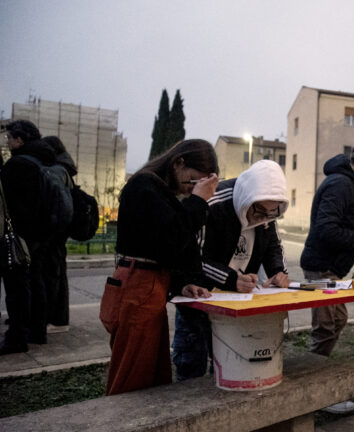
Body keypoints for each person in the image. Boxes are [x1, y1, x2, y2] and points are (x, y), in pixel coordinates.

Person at [99, 139, 218, 395]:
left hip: (149, 285)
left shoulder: (157, 191)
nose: (191, 190)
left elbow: (163, 249)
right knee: (132, 380)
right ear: (178, 163)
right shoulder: (144, 187)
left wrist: (182, 284)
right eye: (192, 181)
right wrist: (197, 202)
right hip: (138, 287)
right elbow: (172, 239)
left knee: (154, 377)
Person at [172, 160, 290, 381]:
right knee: (192, 366)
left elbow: (273, 245)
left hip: (236, 304)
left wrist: (278, 272)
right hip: (199, 299)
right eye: (260, 210)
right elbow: (194, 258)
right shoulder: (213, 203)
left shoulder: (267, 209)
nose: (264, 217)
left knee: (231, 364)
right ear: (247, 199)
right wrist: (232, 279)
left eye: (271, 212)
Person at [300, 137, 354, 414]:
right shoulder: (340, 185)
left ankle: (312, 384)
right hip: (321, 266)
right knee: (327, 325)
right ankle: (308, 390)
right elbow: (325, 229)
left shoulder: (349, 184)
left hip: (330, 268)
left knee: (337, 319)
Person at [0, 120, 59, 354]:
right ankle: (37, 331)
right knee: (36, 281)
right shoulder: (45, 162)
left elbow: (12, 205)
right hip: (42, 235)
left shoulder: (17, 165)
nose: (7, 142)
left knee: (16, 287)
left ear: (20, 140)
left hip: (19, 235)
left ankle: (17, 337)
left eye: (10, 138)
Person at [41, 136, 77, 334]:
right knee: (57, 275)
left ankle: (55, 318)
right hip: (59, 232)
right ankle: (58, 317)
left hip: (54, 232)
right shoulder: (64, 169)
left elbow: (62, 205)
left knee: (53, 275)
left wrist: (53, 227)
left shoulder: (55, 171)